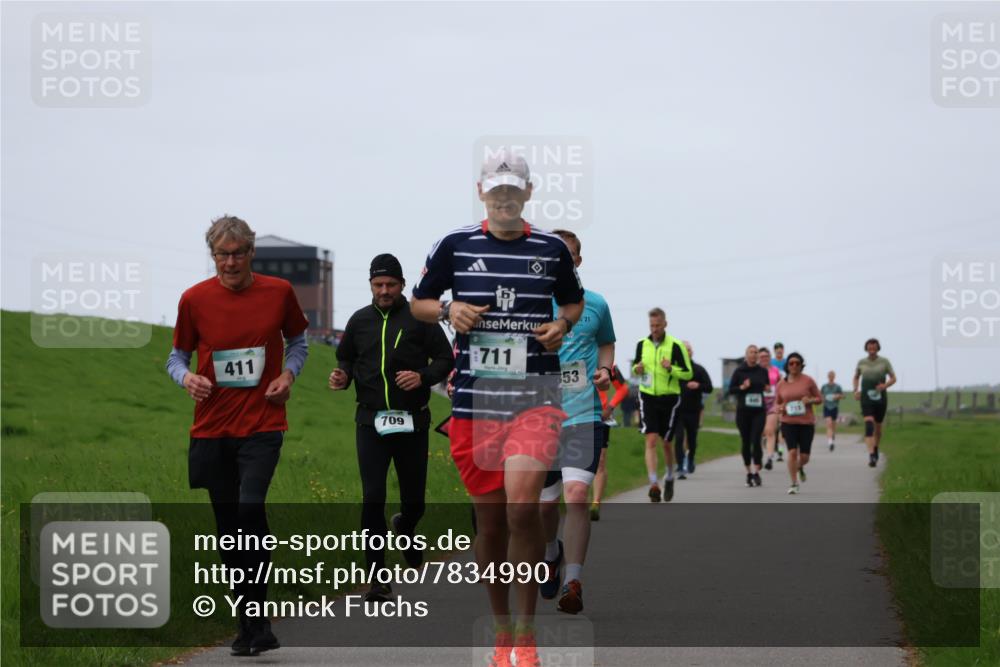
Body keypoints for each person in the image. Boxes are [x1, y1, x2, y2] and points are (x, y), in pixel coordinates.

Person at [410, 148, 584, 667]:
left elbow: (571, 302)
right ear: (483, 193)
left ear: (527, 193)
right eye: (496, 190)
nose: (505, 199)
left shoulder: (551, 249)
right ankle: (502, 629)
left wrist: (563, 325)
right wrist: (448, 308)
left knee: (521, 508)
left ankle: (527, 637)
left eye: (514, 190)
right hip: (474, 403)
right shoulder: (455, 245)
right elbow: (417, 302)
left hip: (535, 399)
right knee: (489, 525)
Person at [166, 215, 309, 656]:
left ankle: (257, 619)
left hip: (262, 426)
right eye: (221, 254)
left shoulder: (279, 293)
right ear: (212, 256)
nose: (230, 262)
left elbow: (299, 343)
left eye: (238, 253)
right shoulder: (194, 300)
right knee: (229, 530)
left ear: (251, 253)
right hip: (211, 429)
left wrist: (288, 375)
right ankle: (251, 625)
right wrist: (185, 379)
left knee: (249, 512)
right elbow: (176, 356)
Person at [329, 253, 454, 602]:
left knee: (414, 500)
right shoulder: (359, 321)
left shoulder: (419, 319)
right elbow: (346, 358)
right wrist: (342, 376)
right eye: (378, 285)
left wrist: (423, 377)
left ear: (402, 284)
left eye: (391, 285)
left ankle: (407, 525)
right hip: (370, 421)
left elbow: (446, 358)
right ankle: (376, 578)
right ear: (370, 285)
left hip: (412, 420)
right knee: (373, 497)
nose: (384, 291)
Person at [537, 229, 615, 615]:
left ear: (578, 262)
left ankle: (573, 580)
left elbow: (606, 343)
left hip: (583, 413)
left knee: (578, 495)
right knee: (545, 504)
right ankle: (551, 553)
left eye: (568, 257)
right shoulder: (530, 304)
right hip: (538, 418)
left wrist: (604, 369)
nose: (562, 262)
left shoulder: (596, 304)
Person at [632, 308, 693, 502]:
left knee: (666, 443)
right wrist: (637, 368)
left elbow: (687, 373)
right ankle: (653, 484)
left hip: (669, 398)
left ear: (665, 324)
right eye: (652, 325)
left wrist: (671, 368)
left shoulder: (676, 346)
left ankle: (669, 476)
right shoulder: (642, 344)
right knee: (650, 440)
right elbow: (635, 368)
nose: (655, 329)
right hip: (648, 395)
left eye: (658, 325)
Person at [775, 352, 823, 494]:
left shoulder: (808, 381)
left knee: (804, 457)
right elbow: (777, 404)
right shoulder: (781, 384)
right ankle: (794, 483)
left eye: (797, 363)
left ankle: (800, 466)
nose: (794, 365)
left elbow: (819, 398)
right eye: (791, 363)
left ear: (801, 365)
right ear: (787, 366)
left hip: (806, 423)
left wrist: (810, 400)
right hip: (788, 422)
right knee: (792, 452)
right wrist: (780, 408)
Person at [590, 364, 628, 520]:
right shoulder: (569, 355)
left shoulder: (607, 366)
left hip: (600, 416)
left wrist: (610, 407)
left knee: (600, 461)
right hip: (575, 415)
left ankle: (595, 503)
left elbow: (623, 388)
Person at [728, 344, 769, 487]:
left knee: (756, 439)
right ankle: (748, 472)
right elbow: (731, 390)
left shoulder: (762, 371)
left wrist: (767, 387)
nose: (753, 354)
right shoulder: (739, 371)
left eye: (756, 352)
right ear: (746, 355)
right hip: (743, 412)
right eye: (751, 352)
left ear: (758, 355)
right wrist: (742, 387)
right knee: (746, 441)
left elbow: (766, 386)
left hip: (759, 411)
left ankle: (757, 471)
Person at [672, 340, 714, 478]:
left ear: (692, 352)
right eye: (683, 349)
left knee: (692, 439)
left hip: (693, 410)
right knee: (679, 438)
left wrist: (698, 385)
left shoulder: (699, 369)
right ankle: (680, 466)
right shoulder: (674, 370)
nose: (686, 351)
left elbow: (709, 387)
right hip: (677, 410)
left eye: (688, 349)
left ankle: (690, 459)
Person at [853, 338, 897, 467]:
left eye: (874, 347)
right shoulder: (861, 362)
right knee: (869, 424)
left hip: (880, 397)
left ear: (878, 348)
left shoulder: (884, 362)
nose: (872, 349)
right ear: (866, 348)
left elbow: (894, 378)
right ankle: (871, 455)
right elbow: (856, 377)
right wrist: (856, 390)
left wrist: (885, 385)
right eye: (869, 347)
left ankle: (876, 448)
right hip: (866, 397)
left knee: (878, 428)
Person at [759, 347, 784, 470]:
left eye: (766, 356)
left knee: (770, 430)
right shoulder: (755, 371)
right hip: (758, 404)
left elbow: (781, 386)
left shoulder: (775, 371)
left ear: (770, 358)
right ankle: (763, 449)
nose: (764, 358)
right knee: (761, 431)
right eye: (762, 356)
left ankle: (769, 457)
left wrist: (781, 402)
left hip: (772, 404)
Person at [820, 371, 844, 451]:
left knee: (833, 425)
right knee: (829, 423)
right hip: (827, 407)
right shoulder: (824, 386)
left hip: (834, 407)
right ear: (828, 376)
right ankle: (830, 443)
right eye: (830, 375)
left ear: (834, 377)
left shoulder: (837, 386)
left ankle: (832, 436)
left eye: (832, 376)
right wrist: (822, 398)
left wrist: (838, 396)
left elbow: (843, 395)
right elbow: (820, 395)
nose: (831, 377)